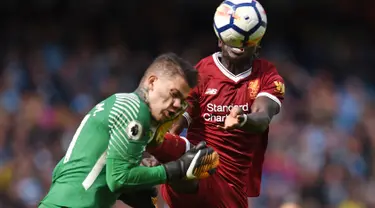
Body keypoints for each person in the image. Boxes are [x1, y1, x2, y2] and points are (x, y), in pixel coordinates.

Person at [147, 4, 286, 208]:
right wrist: (156, 153)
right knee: (170, 145)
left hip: (229, 188)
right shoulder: (202, 72)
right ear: (220, 40)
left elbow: (262, 117)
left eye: (246, 41)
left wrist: (242, 119)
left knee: (187, 158)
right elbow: (180, 116)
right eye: (232, 38)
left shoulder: (267, 76)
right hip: (195, 163)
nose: (238, 44)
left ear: (257, 46)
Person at [38, 53, 220, 208]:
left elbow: (74, 171)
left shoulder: (121, 103)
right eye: (174, 94)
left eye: (183, 100)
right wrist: (177, 168)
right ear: (152, 82)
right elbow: (119, 178)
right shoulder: (135, 110)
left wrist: (135, 189)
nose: (178, 105)